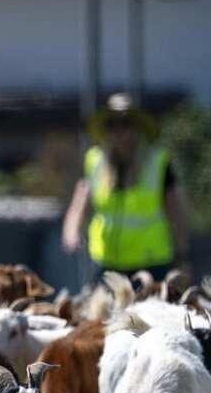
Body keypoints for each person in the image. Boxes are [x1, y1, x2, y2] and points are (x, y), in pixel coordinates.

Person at [61, 93, 189, 280]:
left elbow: (175, 211)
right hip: (107, 262)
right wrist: (71, 233)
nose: (119, 132)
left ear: (137, 128)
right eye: (112, 125)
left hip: (151, 263)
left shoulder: (158, 162)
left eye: (126, 124)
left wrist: (183, 256)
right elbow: (79, 204)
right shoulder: (94, 160)